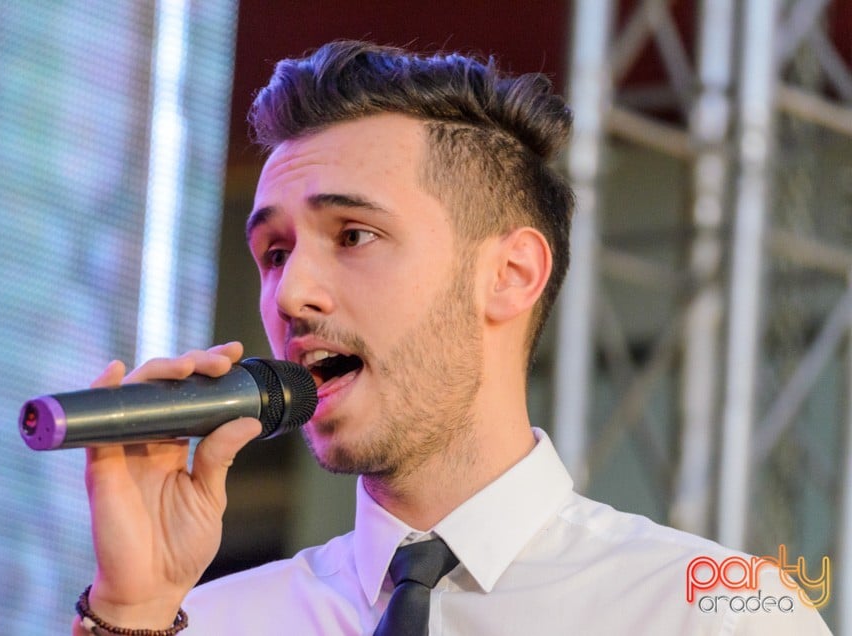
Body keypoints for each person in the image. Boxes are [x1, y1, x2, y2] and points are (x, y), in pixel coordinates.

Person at [72, 41, 831, 635]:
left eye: (354, 234)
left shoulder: (709, 617)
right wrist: (132, 610)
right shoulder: (203, 623)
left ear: (510, 275)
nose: (291, 295)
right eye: (275, 253)